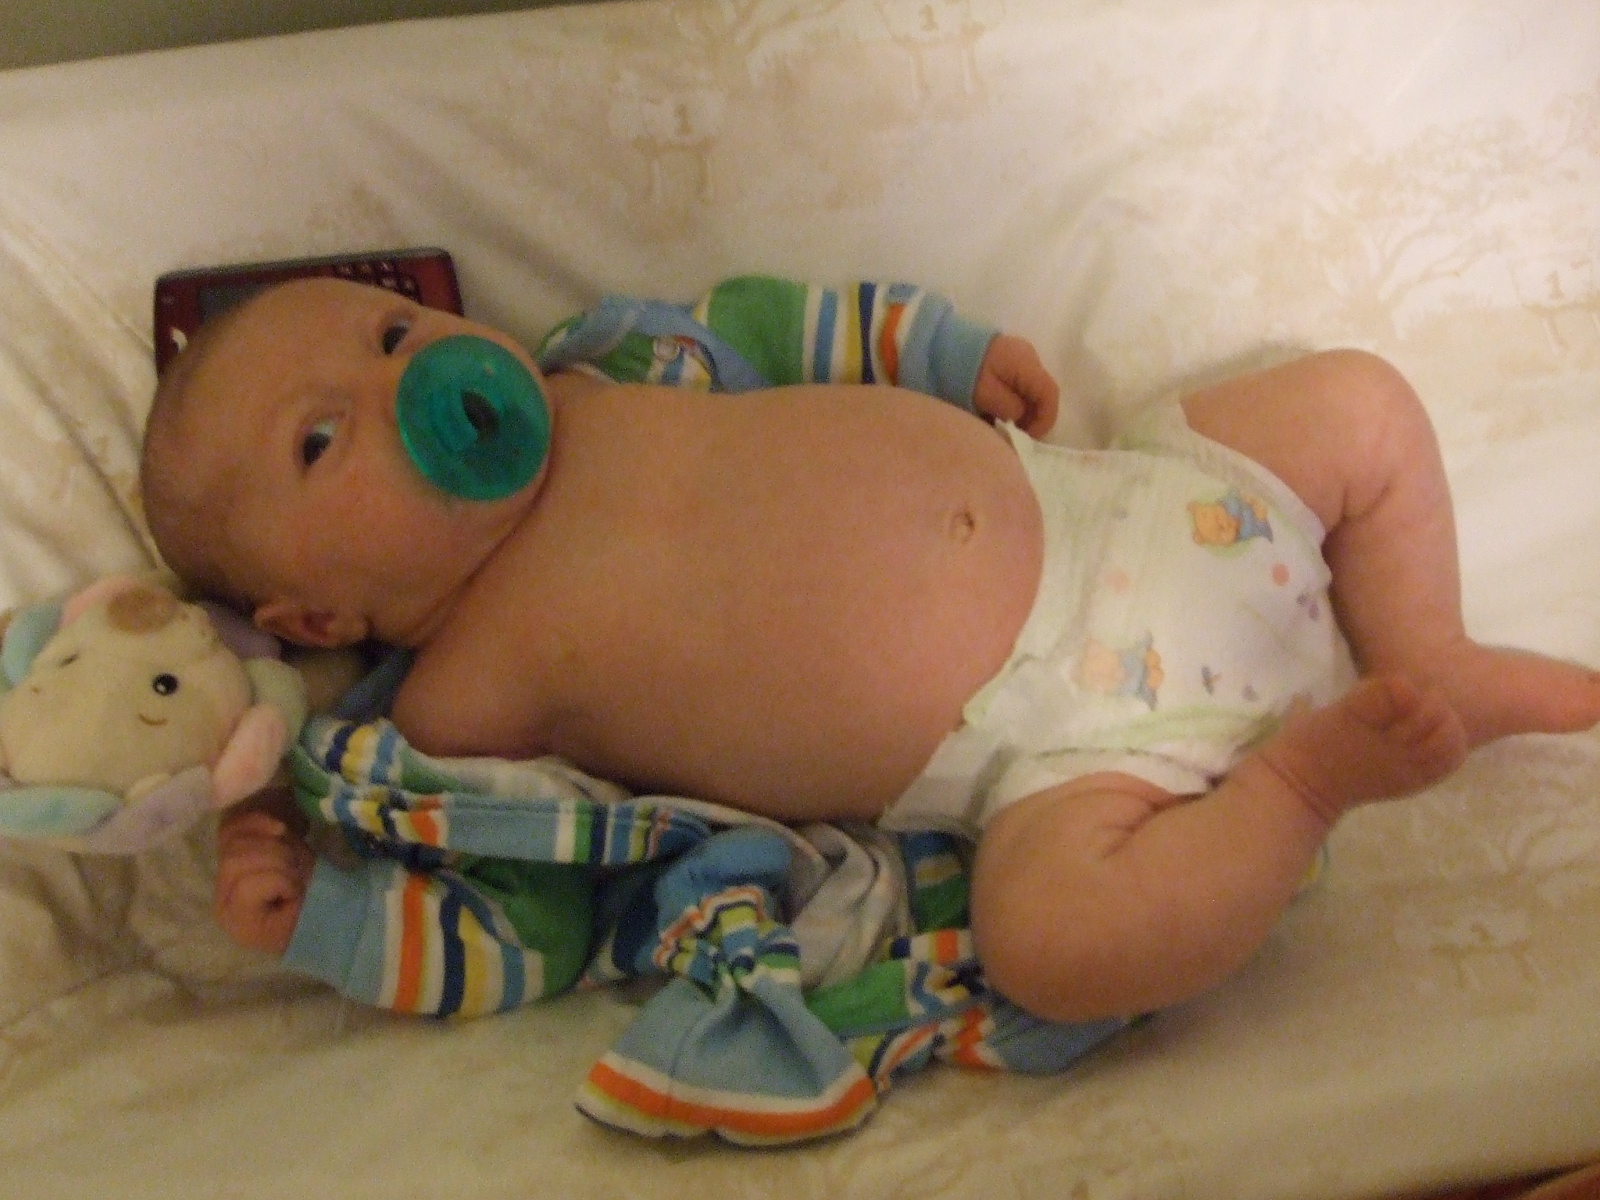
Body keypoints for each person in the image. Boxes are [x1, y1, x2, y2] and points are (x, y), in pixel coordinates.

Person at [140, 273, 1600, 1023]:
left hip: (1143, 502)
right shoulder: (455, 720)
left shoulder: (610, 366)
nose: (407, 384)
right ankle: (1298, 789)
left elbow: (780, 321)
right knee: (1051, 949)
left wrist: (941, 348)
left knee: (1354, 401)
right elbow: (530, 928)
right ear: (315, 621)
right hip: (1075, 754)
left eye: (395, 333)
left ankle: (1432, 644)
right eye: (322, 440)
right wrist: (327, 916)